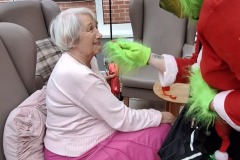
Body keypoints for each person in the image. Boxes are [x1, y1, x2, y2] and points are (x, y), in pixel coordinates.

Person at [104, 0, 240, 159]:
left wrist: (212, 101)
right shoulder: (207, 11)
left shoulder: (220, 9)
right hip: (215, 129)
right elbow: (197, 65)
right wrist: (149, 58)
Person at [43, 7, 176, 160]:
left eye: (97, 26)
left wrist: (100, 79)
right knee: (162, 131)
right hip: (75, 152)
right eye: (90, 29)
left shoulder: (80, 60)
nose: (99, 34)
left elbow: (84, 91)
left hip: (82, 138)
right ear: (69, 39)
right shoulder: (76, 74)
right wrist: (161, 115)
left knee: (156, 131)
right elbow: (123, 118)